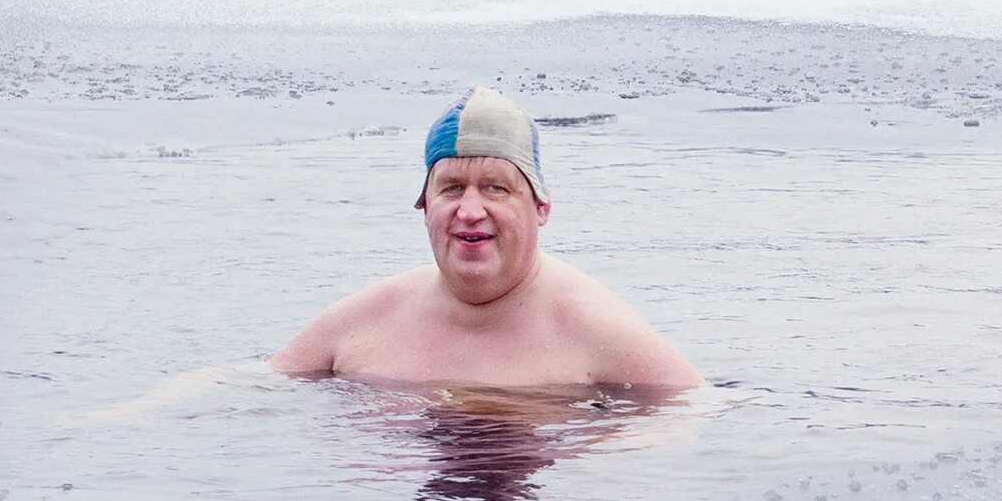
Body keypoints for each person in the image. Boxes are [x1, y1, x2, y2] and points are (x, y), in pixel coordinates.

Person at [271, 86, 704, 391]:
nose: (471, 211)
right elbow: (255, 389)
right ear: (424, 206)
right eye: (452, 188)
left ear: (541, 208)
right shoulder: (361, 320)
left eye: (496, 188)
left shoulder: (597, 329)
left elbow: (691, 420)